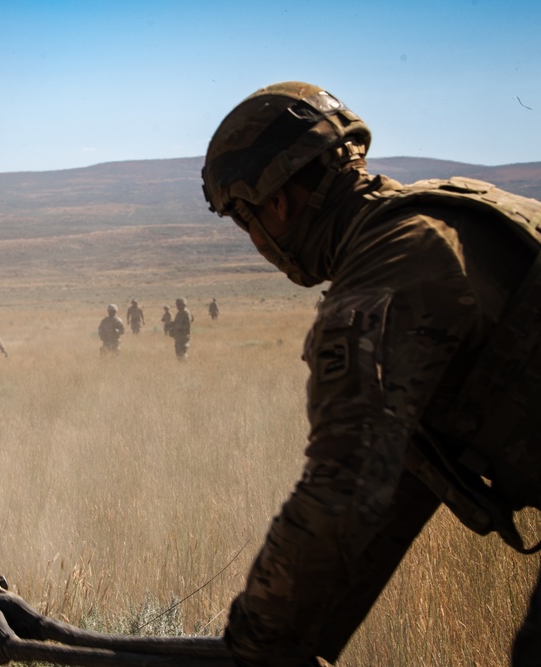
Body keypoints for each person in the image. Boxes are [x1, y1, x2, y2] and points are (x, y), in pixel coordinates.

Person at [201, 81, 541, 666]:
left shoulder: (383, 277)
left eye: (245, 220)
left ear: (276, 206)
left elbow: (344, 486)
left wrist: (254, 643)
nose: (256, 241)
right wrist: (303, 637)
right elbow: (403, 481)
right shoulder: (461, 209)